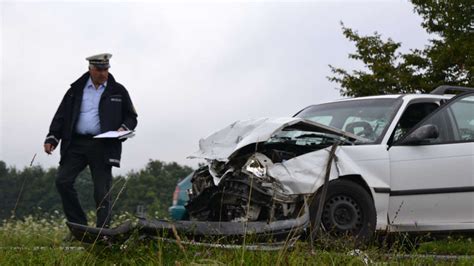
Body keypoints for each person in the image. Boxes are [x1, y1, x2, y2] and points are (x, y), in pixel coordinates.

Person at [44, 53, 137, 228]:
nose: (104, 73)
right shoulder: (75, 90)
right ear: (90, 69)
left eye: (106, 69)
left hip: (103, 145)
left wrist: (123, 128)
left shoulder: (118, 90)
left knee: (102, 191)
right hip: (76, 144)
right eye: (99, 70)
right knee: (62, 181)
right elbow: (62, 115)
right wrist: (52, 137)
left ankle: (102, 232)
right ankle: (78, 226)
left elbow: (131, 117)